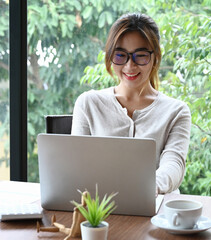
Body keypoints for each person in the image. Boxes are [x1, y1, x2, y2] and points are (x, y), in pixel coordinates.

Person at [71, 12, 191, 194]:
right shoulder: (88, 103)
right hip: (102, 209)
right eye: (120, 56)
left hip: (158, 208)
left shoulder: (177, 111)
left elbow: (173, 164)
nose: (129, 66)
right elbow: (77, 164)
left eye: (140, 55)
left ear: (155, 56)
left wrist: (148, 188)